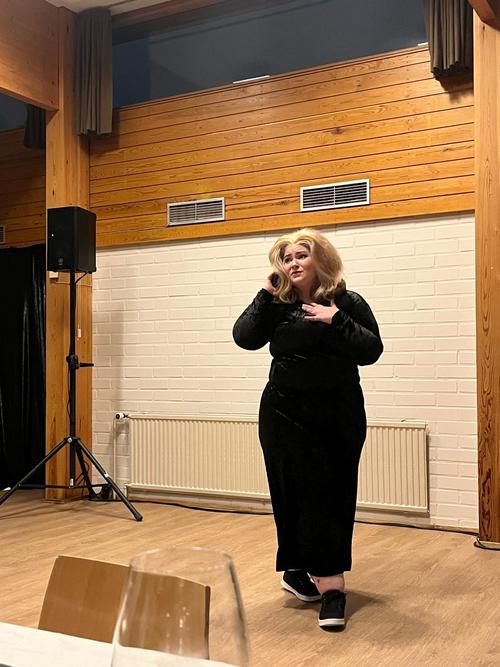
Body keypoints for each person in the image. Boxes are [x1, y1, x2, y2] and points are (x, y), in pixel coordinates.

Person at [232, 228, 383, 630]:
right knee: (290, 494)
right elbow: (244, 338)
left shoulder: (347, 302)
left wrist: (337, 321)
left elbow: (371, 350)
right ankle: (298, 571)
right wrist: (265, 293)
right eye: (286, 258)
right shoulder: (276, 305)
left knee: (330, 496)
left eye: (301, 255)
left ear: (321, 259)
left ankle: (332, 587)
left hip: (337, 416)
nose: (293, 263)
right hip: (282, 415)